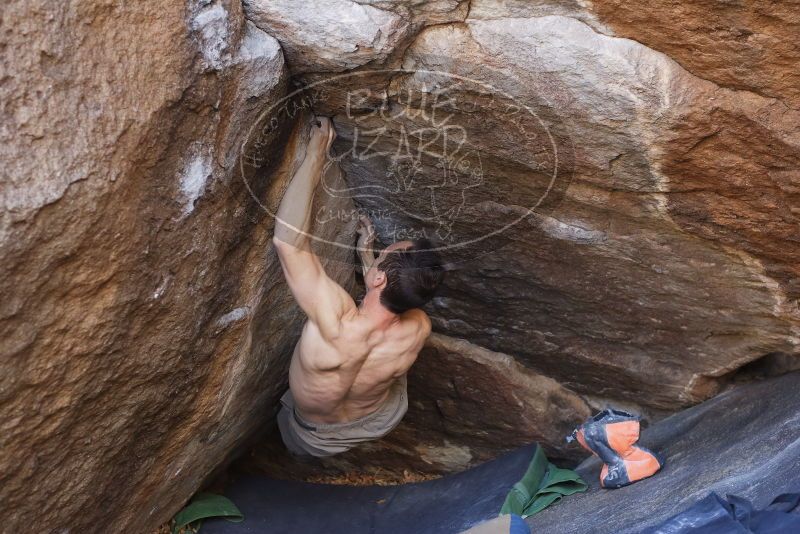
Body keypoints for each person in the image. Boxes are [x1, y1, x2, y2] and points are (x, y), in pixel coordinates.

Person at [272, 117, 446, 457]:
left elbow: (289, 245)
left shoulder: (335, 322)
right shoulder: (419, 328)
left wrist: (315, 154)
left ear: (379, 279)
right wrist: (369, 258)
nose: (381, 251)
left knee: (289, 431)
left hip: (313, 434)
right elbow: (390, 303)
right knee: (380, 367)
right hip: (377, 418)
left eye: (384, 254)